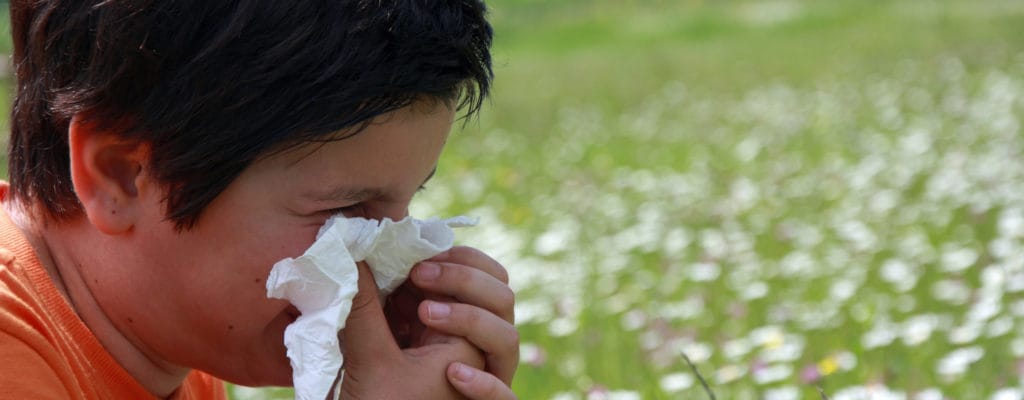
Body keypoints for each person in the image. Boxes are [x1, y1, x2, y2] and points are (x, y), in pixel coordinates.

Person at [0, 1, 519, 399]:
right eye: (345, 212)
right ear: (121, 176)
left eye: (409, 203)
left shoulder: (172, 344)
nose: (394, 271)